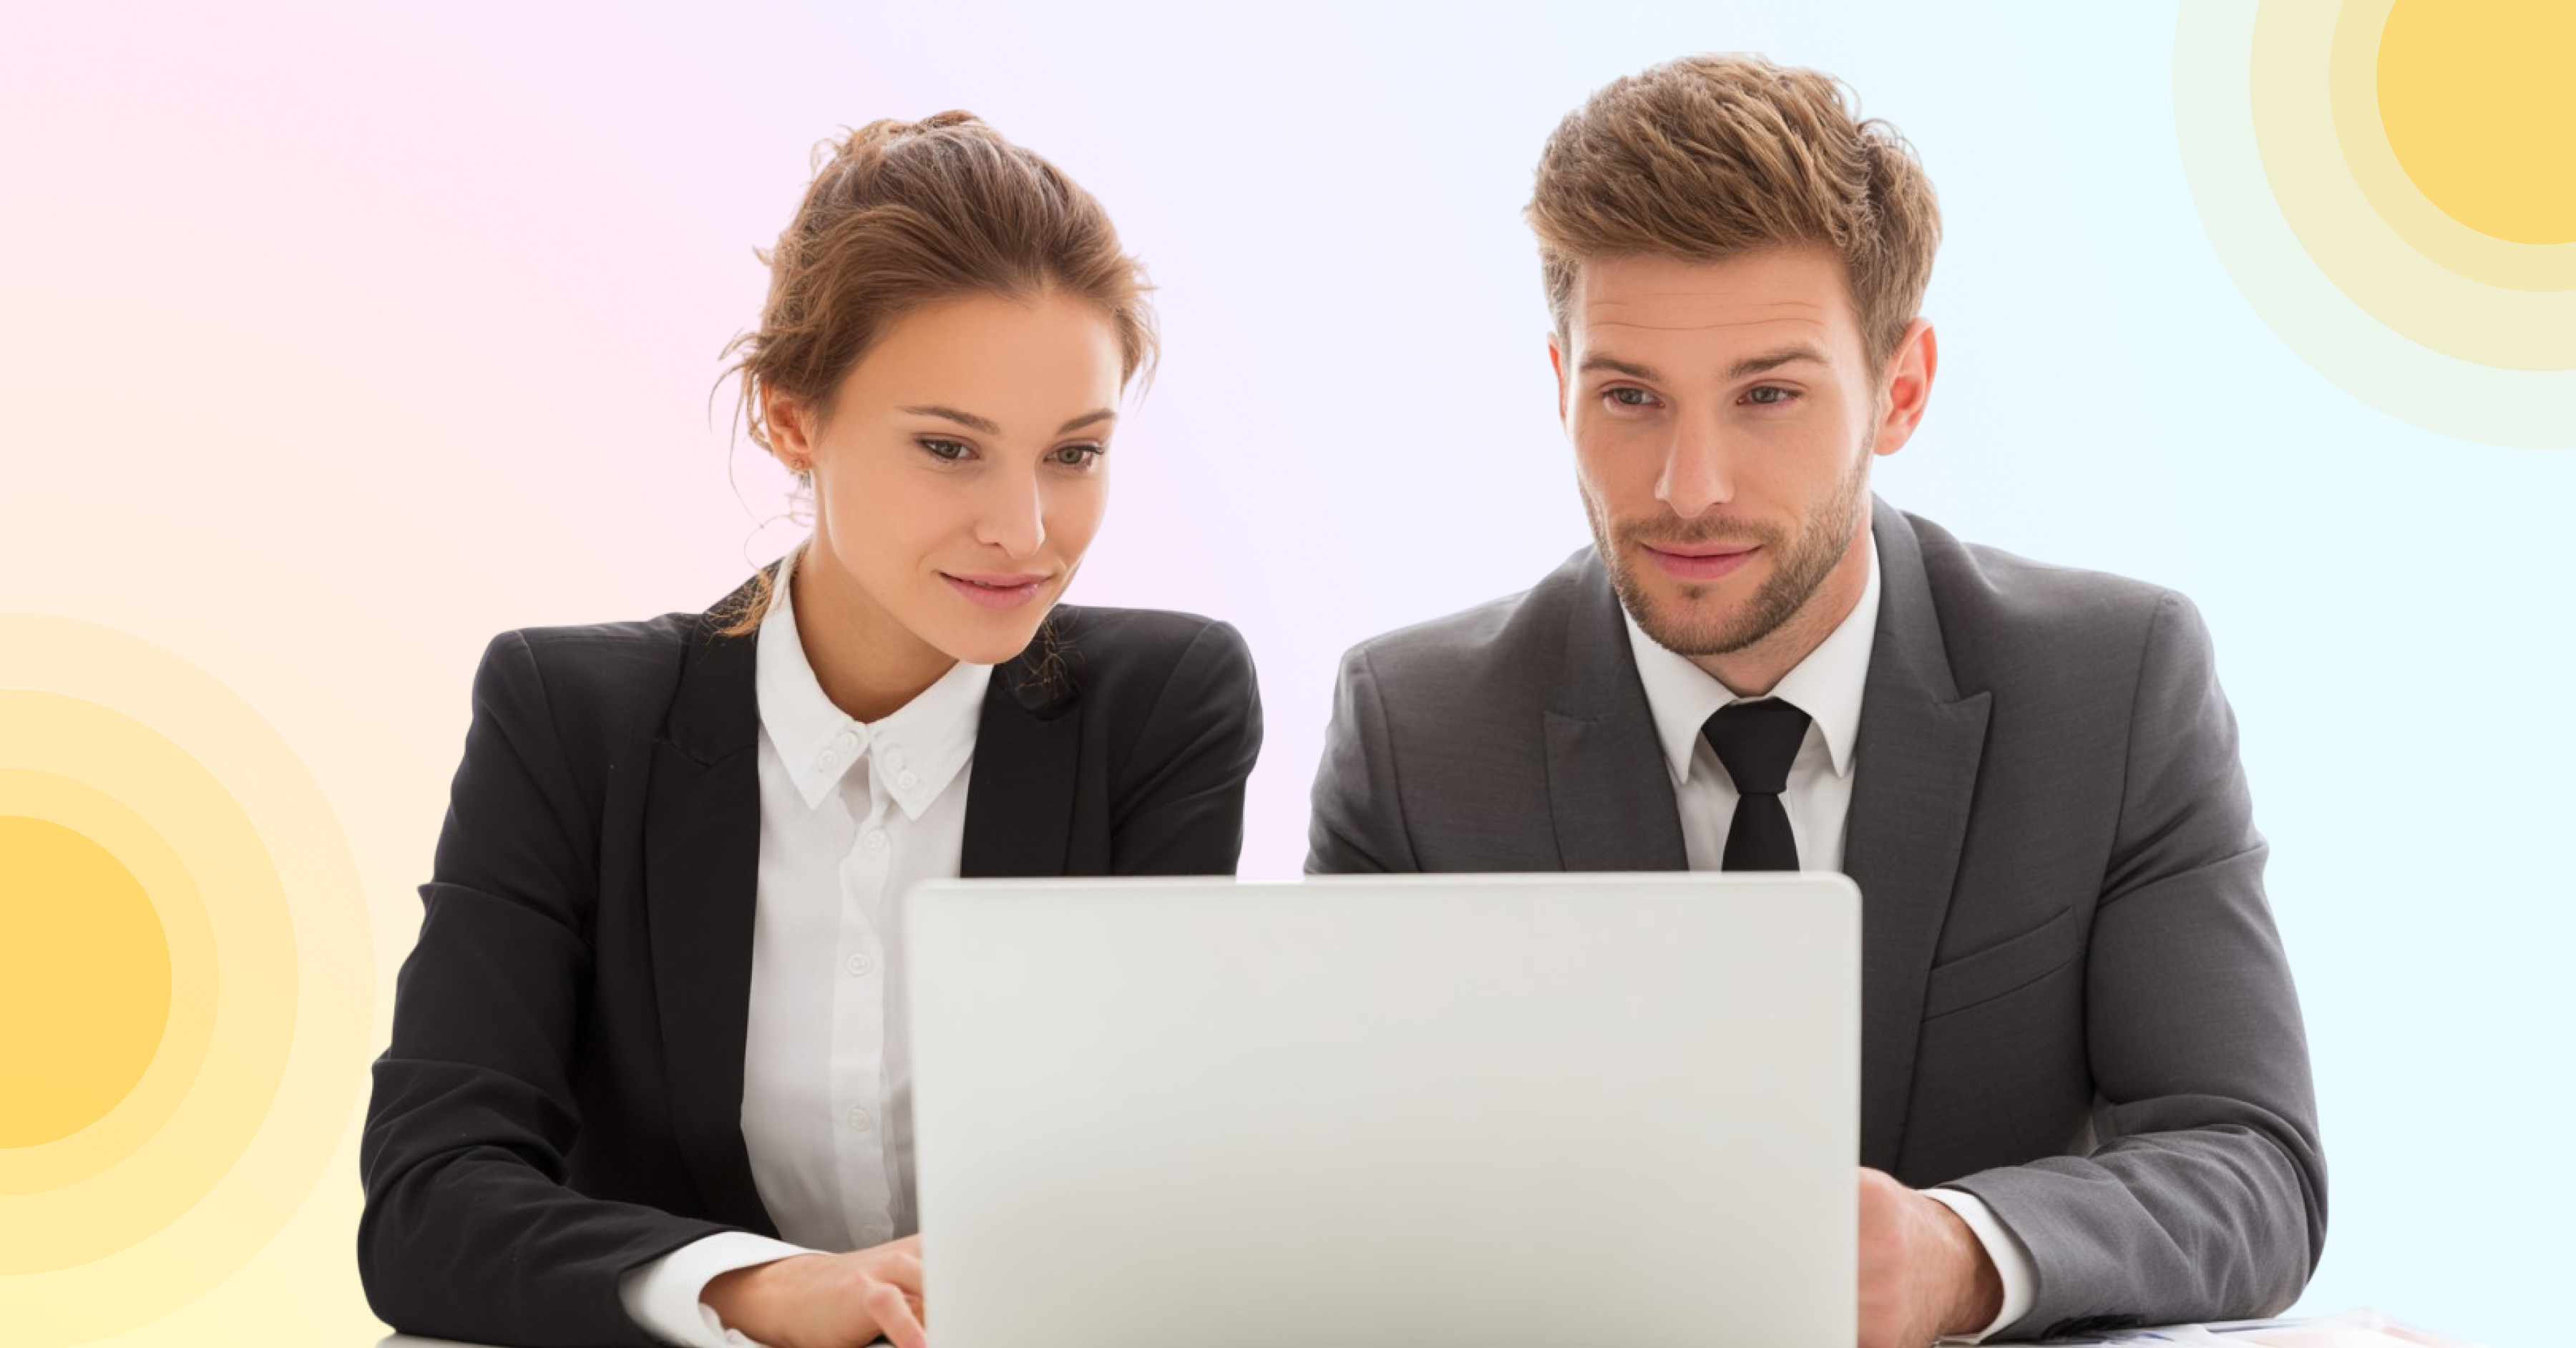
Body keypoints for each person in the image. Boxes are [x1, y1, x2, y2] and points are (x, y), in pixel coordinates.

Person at [1307, 55, 2322, 1347]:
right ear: (1556, 382)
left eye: (1769, 396)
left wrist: (1960, 1253)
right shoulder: (1417, 734)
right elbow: (1335, 1200)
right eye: (1628, 397)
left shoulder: (2114, 685)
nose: (1688, 485)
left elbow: (2252, 1166)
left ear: (1899, 391)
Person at [360, 112, 1262, 1348]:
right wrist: (756, 1287)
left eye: (1075, 453)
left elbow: (1162, 1172)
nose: (1027, 529)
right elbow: (428, 1202)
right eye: (950, 448)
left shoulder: (1160, 708)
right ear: (791, 420)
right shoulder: (571, 717)